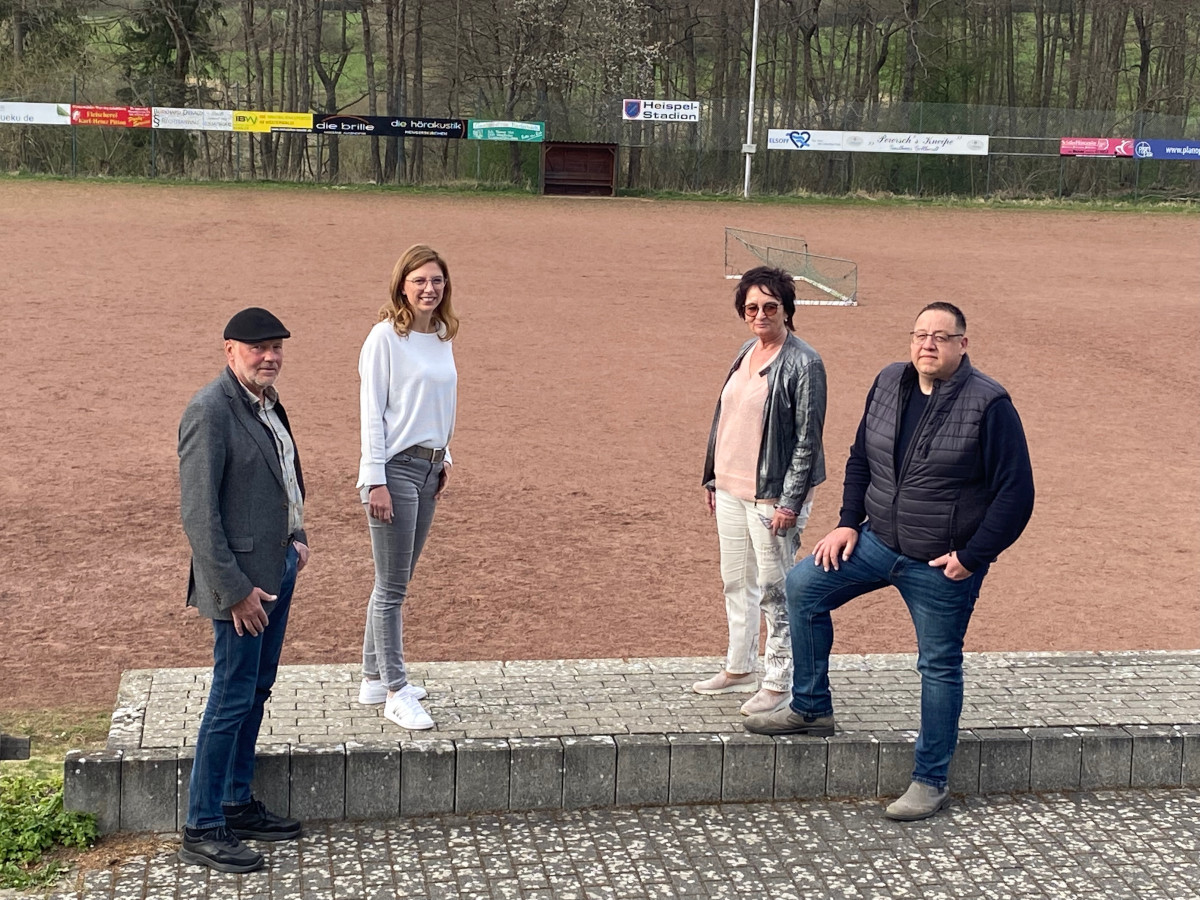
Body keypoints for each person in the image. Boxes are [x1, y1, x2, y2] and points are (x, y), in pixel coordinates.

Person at [746, 301, 1034, 821]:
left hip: (941, 564)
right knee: (804, 587)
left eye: (941, 337)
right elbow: (861, 457)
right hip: (877, 541)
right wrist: (847, 523)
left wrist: (972, 557)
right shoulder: (888, 382)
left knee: (938, 665)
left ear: (962, 344)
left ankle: (930, 779)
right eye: (921, 334)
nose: (928, 344)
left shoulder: (989, 404)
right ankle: (811, 706)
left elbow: (1017, 495)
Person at [178, 307, 310, 873]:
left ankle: (236, 800)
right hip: (240, 588)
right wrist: (235, 591)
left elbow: (285, 476)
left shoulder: (268, 403)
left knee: (256, 688)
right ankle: (203, 824)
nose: (269, 356)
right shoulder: (210, 411)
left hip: (277, 570)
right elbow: (198, 516)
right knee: (230, 696)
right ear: (229, 350)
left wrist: (297, 537)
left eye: (276, 346)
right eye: (257, 347)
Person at [698, 266, 828, 716]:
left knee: (777, 590)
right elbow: (727, 420)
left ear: (787, 310)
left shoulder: (804, 362)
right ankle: (739, 666)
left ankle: (777, 681)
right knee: (736, 580)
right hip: (732, 488)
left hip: (773, 496)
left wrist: (790, 502)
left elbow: (808, 440)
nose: (760, 314)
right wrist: (714, 476)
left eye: (770, 306)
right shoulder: (744, 351)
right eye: (752, 307)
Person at [356, 244, 458, 730]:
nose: (429, 289)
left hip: (428, 469)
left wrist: (446, 456)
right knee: (393, 587)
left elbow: (440, 403)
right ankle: (396, 691)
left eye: (436, 281)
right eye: (419, 280)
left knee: (395, 581)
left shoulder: (441, 336)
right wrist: (373, 479)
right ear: (402, 284)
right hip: (393, 470)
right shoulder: (384, 338)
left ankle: (374, 678)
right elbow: (372, 413)